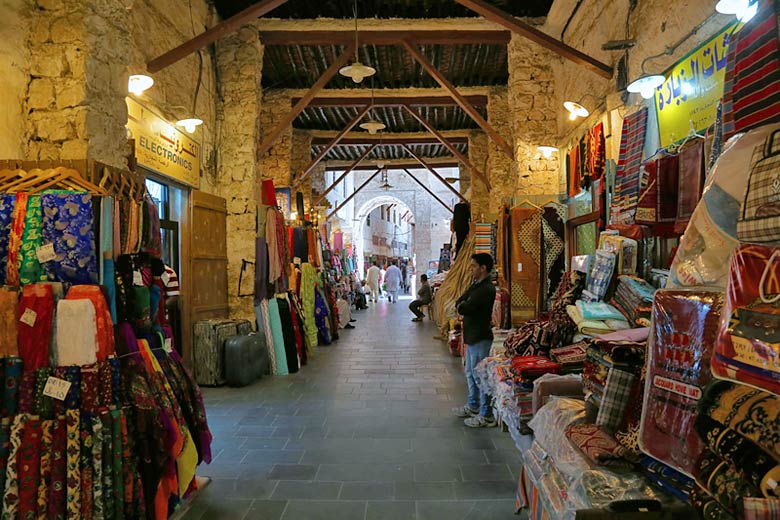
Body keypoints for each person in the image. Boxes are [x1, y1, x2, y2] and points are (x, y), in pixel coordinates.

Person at [451, 253, 497, 428]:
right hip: (472, 336)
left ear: (483, 268)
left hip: (480, 337)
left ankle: (486, 415)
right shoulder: (476, 285)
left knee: (480, 376)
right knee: (471, 373)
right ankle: (473, 405)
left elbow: (466, 307)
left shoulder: (486, 289)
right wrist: (462, 305)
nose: (470, 269)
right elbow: (460, 300)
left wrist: (462, 306)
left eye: (473, 266)